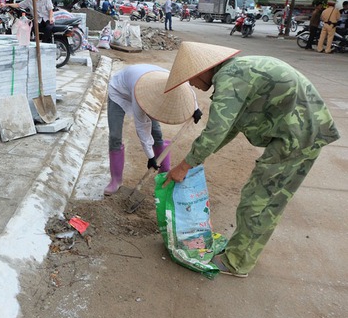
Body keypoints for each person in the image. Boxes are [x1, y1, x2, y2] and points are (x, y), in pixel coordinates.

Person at [159, 42, 339, 277]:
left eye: (191, 79)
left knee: (258, 200)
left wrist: (185, 166)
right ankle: (244, 252)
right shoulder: (238, 71)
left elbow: (216, 130)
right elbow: (230, 127)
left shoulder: (230, 78)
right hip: (299, 130)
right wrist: (197, 160)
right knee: (266, 199)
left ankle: (237, 262)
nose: (192, 84)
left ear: (202, 70)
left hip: (297, 135)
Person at [104, 64, 202, 195]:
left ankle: (164, 172)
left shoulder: (168, 81)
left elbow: (186, 89)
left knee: (156, 133)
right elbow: (142, 128)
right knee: (115, 136)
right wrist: (150, 157)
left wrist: (195, 108)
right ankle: (116, 180)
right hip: (119, 92)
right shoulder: (140, 96)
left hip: (149, 87)